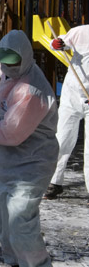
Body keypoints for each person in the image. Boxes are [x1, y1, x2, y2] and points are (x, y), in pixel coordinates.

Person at [0, 30, 58, 267]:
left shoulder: (31, 91)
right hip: (9, 166)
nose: (7, 67)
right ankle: (18, 266)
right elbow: (1, 57)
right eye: (5, 62)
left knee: (20, 221)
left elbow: (10, 132)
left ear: (25, 58)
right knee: (5, 221)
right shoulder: (13, 69)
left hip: (31, 165)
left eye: (13, 61)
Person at [43, 26, 89, 200]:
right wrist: (57, 43)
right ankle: (54, 182)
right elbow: (59, 42)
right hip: (72, 96)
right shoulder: (81, 31)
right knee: (62, 140)